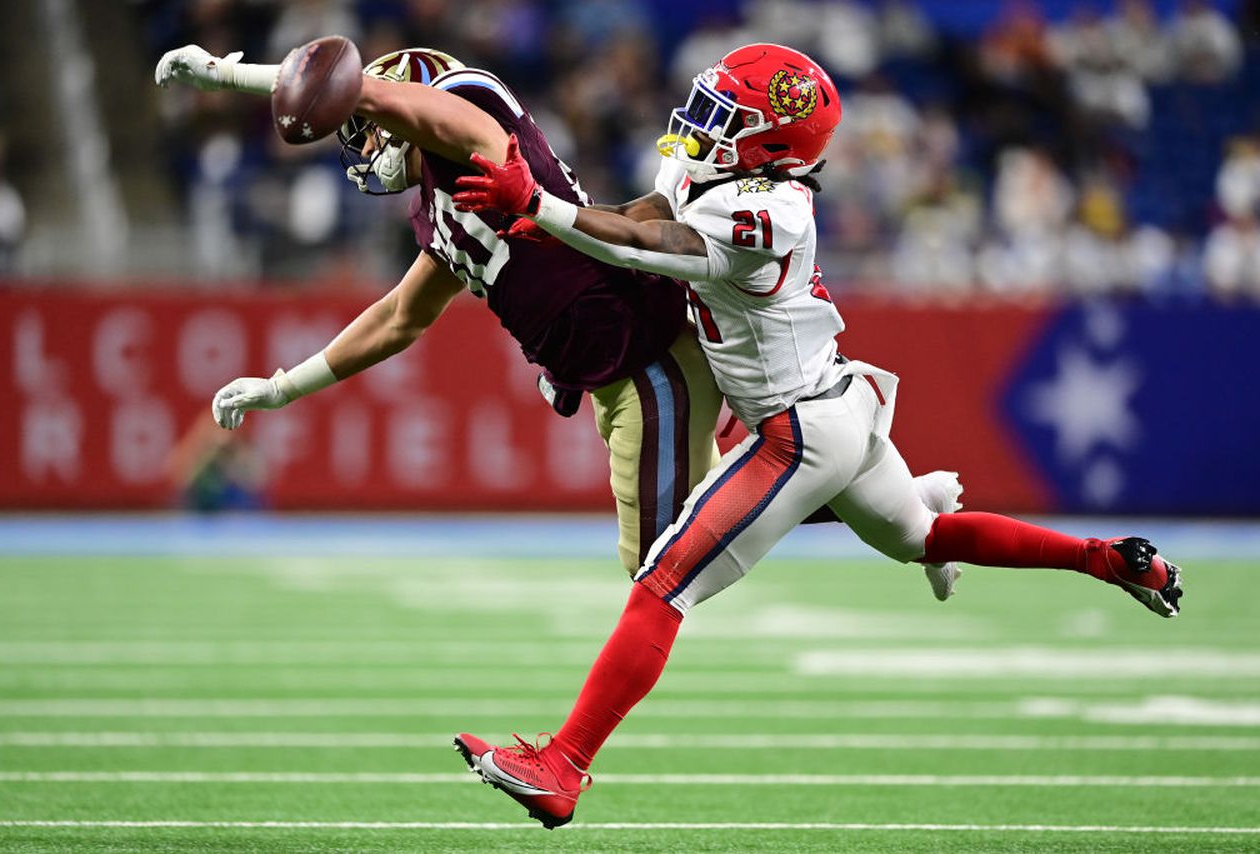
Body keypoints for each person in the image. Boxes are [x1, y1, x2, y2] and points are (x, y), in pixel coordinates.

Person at [447, 43, 1184, 828]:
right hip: (835, 407)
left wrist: (541, 207)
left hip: (798, 432)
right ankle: (1111, 560)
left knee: (664, 582)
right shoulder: (717, 174)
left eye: (725, 115)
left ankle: (564, 765)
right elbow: (646, 217)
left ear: (770, 144)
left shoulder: (773, 210)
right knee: (922, 536)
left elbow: (650, 248)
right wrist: (549, 228)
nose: (701, 123)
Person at [153, 42, 964, 589]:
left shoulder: (468, 114)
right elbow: (401, 317)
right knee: (676, 544)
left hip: (647, 358)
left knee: (662, 566)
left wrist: (239, 78)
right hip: (613, 371)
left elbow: (452, 122)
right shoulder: (439, 205)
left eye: (368, 119)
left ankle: (868, 485)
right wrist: (283, 388)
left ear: (400, 96)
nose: (364, 143)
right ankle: (889, 497)